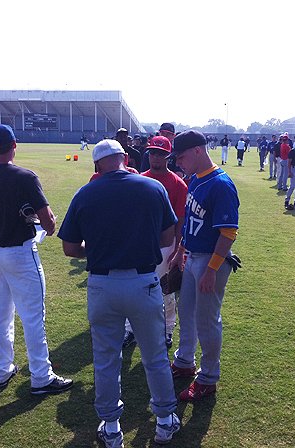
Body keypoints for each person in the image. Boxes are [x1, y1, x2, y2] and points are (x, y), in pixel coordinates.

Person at [58, 139, 180, 446]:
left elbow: (70, 248)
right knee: (154, 356)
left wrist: (99, 248)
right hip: (143, 281)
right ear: (126, 158)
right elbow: (167, 237)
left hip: (102, 284)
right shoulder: (153, 188)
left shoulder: (86, 192)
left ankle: (111, 427)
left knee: (106, 359)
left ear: (97, 164)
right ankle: (165, 421)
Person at [0, 124, 72, 394]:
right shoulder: (25, 177)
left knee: (1, 315)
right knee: (33, 317)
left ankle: (1, 371)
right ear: (14, 145)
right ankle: (41, 376)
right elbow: (49, 222)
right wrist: (43, 226)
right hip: (21, 252)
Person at [168, 130, 240, 402]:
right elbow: (189, 224)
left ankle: (208, 378)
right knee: (186, 313)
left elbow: (229, 232)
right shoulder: (197, 180)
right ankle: (184, 361)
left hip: (212, 260)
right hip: (192, 257)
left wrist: (211, 270)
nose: (178, 162)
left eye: (182, 156)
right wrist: (179, 252)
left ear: (198, 150)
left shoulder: (221, 184)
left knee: (207, 321)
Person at [138, 136, 188, 349]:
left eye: (160, 153)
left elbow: (181, 221)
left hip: (167, 244)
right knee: (137, 287)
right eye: (152, 153)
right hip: (141, 242)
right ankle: (133, 329)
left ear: (169, 157)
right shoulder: (139, 179)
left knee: (165, 288)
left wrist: (178, 250)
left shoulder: (177, 184)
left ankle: (167, 329)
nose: (155, 157)